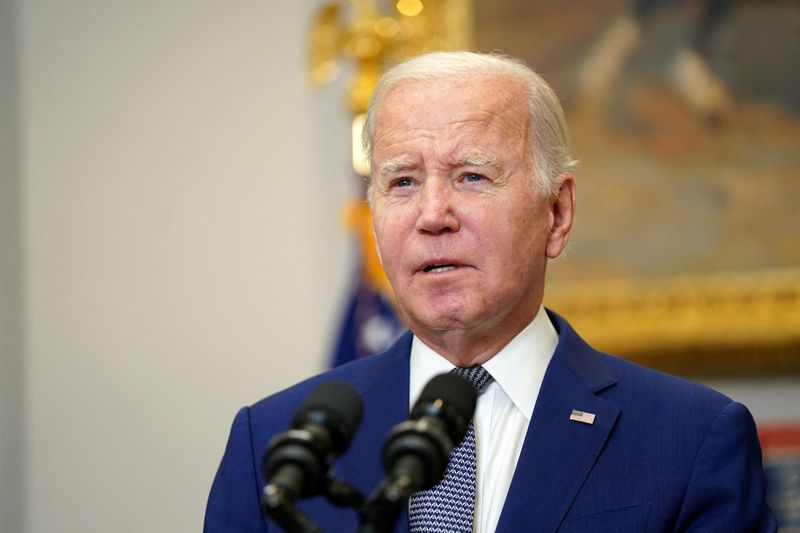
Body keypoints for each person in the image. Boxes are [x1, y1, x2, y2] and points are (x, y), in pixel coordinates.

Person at [205, 51, 776, 532]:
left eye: (471, 177)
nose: (432, 215)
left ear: (556, 213)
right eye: (402, 181)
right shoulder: (275, 443)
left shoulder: (691, 440)